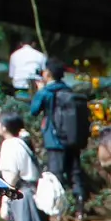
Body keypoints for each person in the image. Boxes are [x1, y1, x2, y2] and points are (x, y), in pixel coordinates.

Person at [29, 63, 87, 212]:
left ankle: (58, 211)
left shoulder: (46, 92)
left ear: (48, 74)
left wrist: (39, 90)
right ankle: (80, 206)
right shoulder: (68, 90)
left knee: (56, 175)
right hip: (73, 138)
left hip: (54, 140)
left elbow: (34, 110)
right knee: (75, 172)